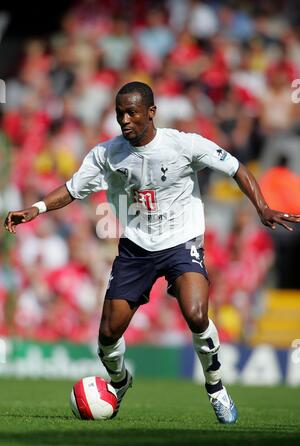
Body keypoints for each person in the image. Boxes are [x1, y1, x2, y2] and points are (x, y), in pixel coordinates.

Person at [4, 82, 300, 424]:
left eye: (131, 112)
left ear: (151, 112)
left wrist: (262, 207)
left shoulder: (182, 144)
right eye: (119, 114)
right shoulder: (107, 154)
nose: (124, 120)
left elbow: (236, 168)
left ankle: (216, 387)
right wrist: (36, 208)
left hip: (181, 242)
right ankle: (120, 381)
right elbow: (72, 189)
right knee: (107, 337)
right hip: (136, 248)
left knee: (196, 313)